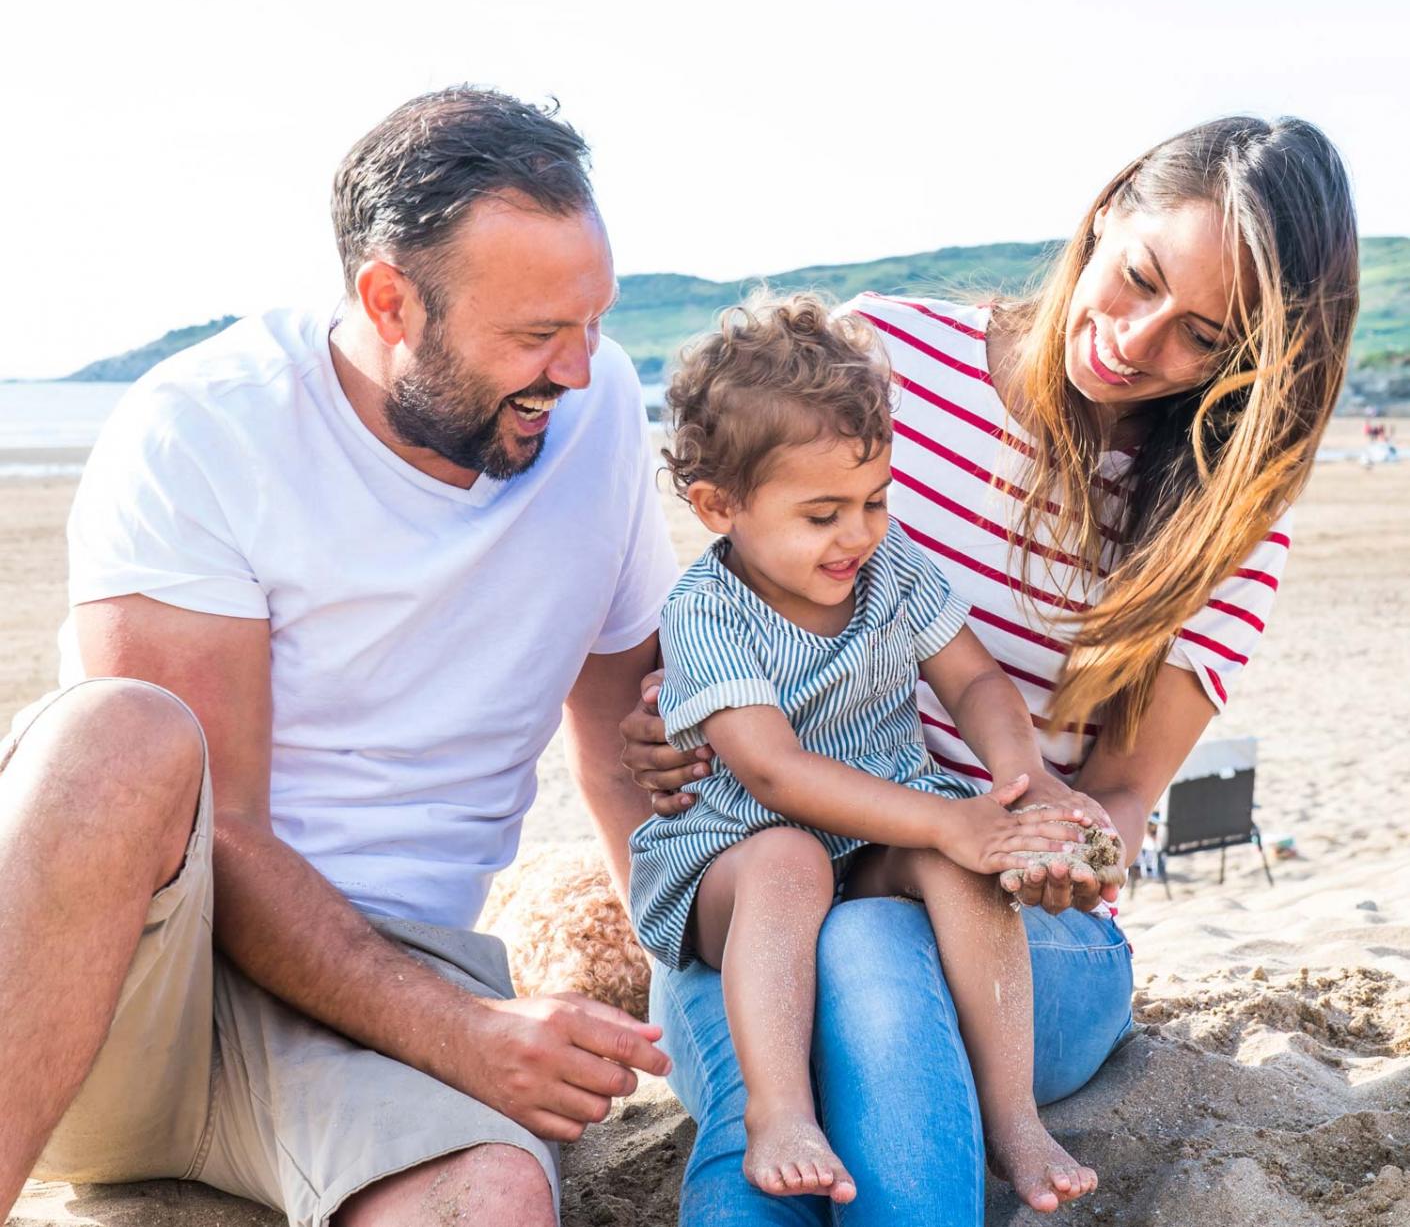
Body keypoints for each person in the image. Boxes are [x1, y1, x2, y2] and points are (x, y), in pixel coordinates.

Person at [621, 116, 1360, 1225]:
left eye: (1203, 337)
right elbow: (739, 610)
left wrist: (1056, 831)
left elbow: (1111, 796)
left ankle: (976, 1139)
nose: (1137, 341)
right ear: (1106, 212)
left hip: (1012, 929)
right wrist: (668, 728)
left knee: (876, 941)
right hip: (765, 901)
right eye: (1140, 278)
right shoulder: (872, 361)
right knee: (810, 956)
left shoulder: (1226, 517)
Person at [0, 87, 679, 1227]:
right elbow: (222, 832)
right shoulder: (204, 426)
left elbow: (623, 743)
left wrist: (694, 1009)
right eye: (533, 335)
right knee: (115, 732)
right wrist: (460, 1031)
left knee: (494, 1199)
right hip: (127, 982)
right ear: (389, 300)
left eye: (594, 321)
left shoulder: (595, 410)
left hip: (388, 999)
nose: (576, 369)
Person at [627, 295, 1105, 1212]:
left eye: (874, 500)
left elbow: (974, 683)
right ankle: (778, 1110)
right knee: (790, 858)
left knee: (959, 862)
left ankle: (1011, 1117)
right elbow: (772, 771)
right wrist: (945, 816)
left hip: (877, 831)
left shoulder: (891, 568)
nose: (857, 534)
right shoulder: (707, 610)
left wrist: (1020, 782)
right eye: (821, 515)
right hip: (735, 857)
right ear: (719, 507)